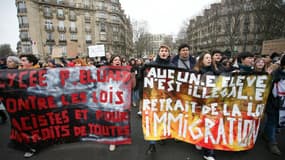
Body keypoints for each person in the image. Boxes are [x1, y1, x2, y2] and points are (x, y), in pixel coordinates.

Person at [145, 45, 175, 155]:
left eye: (166, 51)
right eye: (162, 50)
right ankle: (152, 144)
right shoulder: (151, 65)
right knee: (153, 119)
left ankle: (162, 135)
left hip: (167, 98)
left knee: (164, 118)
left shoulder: (173, 66)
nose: (164, 52)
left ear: (168, 53)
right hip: (154, 97)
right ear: (158, 53)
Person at [108, 55, 136, 151]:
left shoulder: (126, 72)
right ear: (112, 62)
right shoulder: (106, 73)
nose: (117, 61)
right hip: (111, 101)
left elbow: (133, 86)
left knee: (122, 121)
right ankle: (113, 141)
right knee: (112, 121)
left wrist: (132, 76)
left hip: (123, 100)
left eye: (119, 60)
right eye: (115, 60)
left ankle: (121, 137)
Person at [192, 52, 216, 160]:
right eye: (207, 58)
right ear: (201, 60)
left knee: (210, 125)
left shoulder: (216, 72)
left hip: (212, 102)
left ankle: (209, 152)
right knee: (199, 122)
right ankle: (198, 140)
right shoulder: (195, 72)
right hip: (199, 101)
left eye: (210, 58)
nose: (209, 59)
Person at [262, 54, 285, 156]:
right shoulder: (275, 75)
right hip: (274, 103)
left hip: (282, 104)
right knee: (272, 121)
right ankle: (272, 142)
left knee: (273, 123)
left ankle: (266, 134)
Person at [19, 54, 39, 158]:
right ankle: (32, 146)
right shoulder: (17, 73)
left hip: (37, 105)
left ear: (31, 63)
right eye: (20, 60)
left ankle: (33, 147)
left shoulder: (39, 73)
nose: (21, 62)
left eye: (23, 60)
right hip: (24, 105)